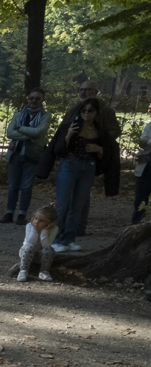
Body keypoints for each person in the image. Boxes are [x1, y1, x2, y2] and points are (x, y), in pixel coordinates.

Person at [44, 98, 119, 252]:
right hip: (70, 165)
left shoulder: (100, 132)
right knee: (62, 205)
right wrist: (69, 135)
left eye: (90, 110)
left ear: (96, 112)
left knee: (77, 206)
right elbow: (58, 150)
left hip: (88, 168)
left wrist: (99, 149)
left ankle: (70, 239)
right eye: (83, 110)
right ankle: (56, 240)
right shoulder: (70, 126)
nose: (86, 113)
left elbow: (109, 153)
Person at [74, 81, 121, 236]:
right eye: (82, 89)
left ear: (95, 91)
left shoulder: (105, 111)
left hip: (93, 157)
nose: (84, 92)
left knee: (83, 192)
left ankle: (80, 227)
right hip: (74, 156)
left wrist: (100, 140)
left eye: (88, 89)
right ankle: (70, 226)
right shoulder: (75, 109)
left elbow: (115, 130)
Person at [2, 88, 51, 224]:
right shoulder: (18, 115)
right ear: (28, 99)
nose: (34, 101)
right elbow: (10, 133)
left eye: (37, 98)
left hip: (33, 155)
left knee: (26, 186)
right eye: (31, 98)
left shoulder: (46, 116)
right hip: (15, 153)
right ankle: (9, 213)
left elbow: (39, 132)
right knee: (13, 186)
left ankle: (22, 215)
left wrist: (20, 129)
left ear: (42, 100)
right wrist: (29, 135)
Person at [16, 204, 58, 283]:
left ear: (49, 223)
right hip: (27, 253)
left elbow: (46, 244)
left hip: (41, 256)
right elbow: (30, 241)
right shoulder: (29, 226)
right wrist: (34, 230)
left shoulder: (54, 229)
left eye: (41, 221)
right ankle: (23, 271)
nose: (36, 222)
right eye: (35, 218)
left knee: (49, 249)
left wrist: (45, 231)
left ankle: (44, 271)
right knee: (29, 246)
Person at [134, 104, 151, 225]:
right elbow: (141, 142)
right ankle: (136, 226)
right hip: (147, 166)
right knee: (140, 199)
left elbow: (146, 141)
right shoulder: (150, 125)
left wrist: (148, 141)